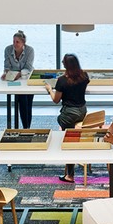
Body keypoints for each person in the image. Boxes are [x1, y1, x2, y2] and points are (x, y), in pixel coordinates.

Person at [48, 53, 90, 183]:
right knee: (70, 136)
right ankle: (69, 170)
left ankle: (70, 175)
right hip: (82, 111)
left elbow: (56, 100)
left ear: (66, 65)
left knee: (68, 140)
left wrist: (49, 89)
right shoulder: (84, 76)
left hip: (69, 114)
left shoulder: (62, 81)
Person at [3, 29, 35, 127]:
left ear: (23, 43)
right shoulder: (8, 49)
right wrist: (7, 73)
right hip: (15, 79)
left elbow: (28, 67)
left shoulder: (30, 50)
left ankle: (27, 127)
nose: (15, 44)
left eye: (17, 42)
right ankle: (25, 127)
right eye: (14, 41)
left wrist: (19, 74)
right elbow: (7, 66)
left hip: (28, 78)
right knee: (22, 100)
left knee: (27, 103)